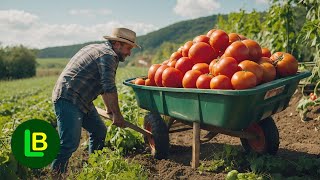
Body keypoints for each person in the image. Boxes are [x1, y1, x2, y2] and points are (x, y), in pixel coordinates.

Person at [51, 27, 140, 174]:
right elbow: (109, 88)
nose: (129, 53)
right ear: (117, 44)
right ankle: (56, 175)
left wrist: (110, 110)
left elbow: (103, 85)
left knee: (99, 131)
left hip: (82, 99)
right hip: (68, 98)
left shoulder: (98, 48)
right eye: (128, 48)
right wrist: (117, 116)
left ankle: (94, 169)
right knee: (69, 143)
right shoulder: (108, 56)